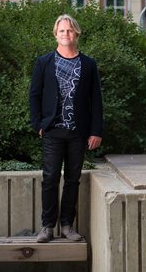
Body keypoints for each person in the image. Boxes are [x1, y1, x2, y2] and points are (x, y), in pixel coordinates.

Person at [29, 14, 103, 243]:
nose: (66, 34)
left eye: (70, 31)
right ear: (56, 34)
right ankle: (47, 226)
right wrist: (38, 124)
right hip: (52, 130)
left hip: (78, 132)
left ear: (76, 33)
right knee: (50, 177)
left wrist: (96, 130)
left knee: (73, 179)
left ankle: (67, 225)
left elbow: (96, 99)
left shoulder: (88, 64)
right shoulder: (44, 62)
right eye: (62, 31)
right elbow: (35, 94)